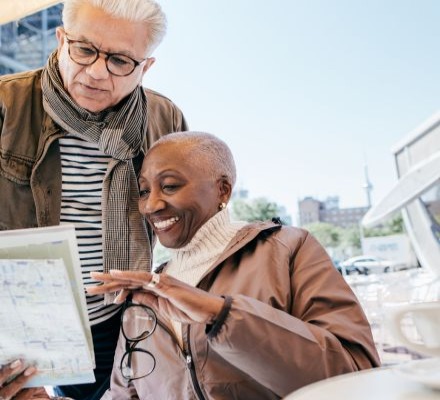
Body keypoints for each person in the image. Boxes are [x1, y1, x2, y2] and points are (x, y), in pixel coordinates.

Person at [88, 131, 381, 399]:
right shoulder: (145, 295)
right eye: (143, 191)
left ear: (223, 190)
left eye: (170, 186)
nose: (151, 205)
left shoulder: (288, 250)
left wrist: (221, 314)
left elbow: (355, 377)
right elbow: (124, 394)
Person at [0, 0, 187, 398]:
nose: (96, 72)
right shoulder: (6, 105)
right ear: (60, 39)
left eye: (120, 60)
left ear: (146, 67)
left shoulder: (164, 119)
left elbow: (190, 224)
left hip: (115, 317)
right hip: (14, 320)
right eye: (83, 50)